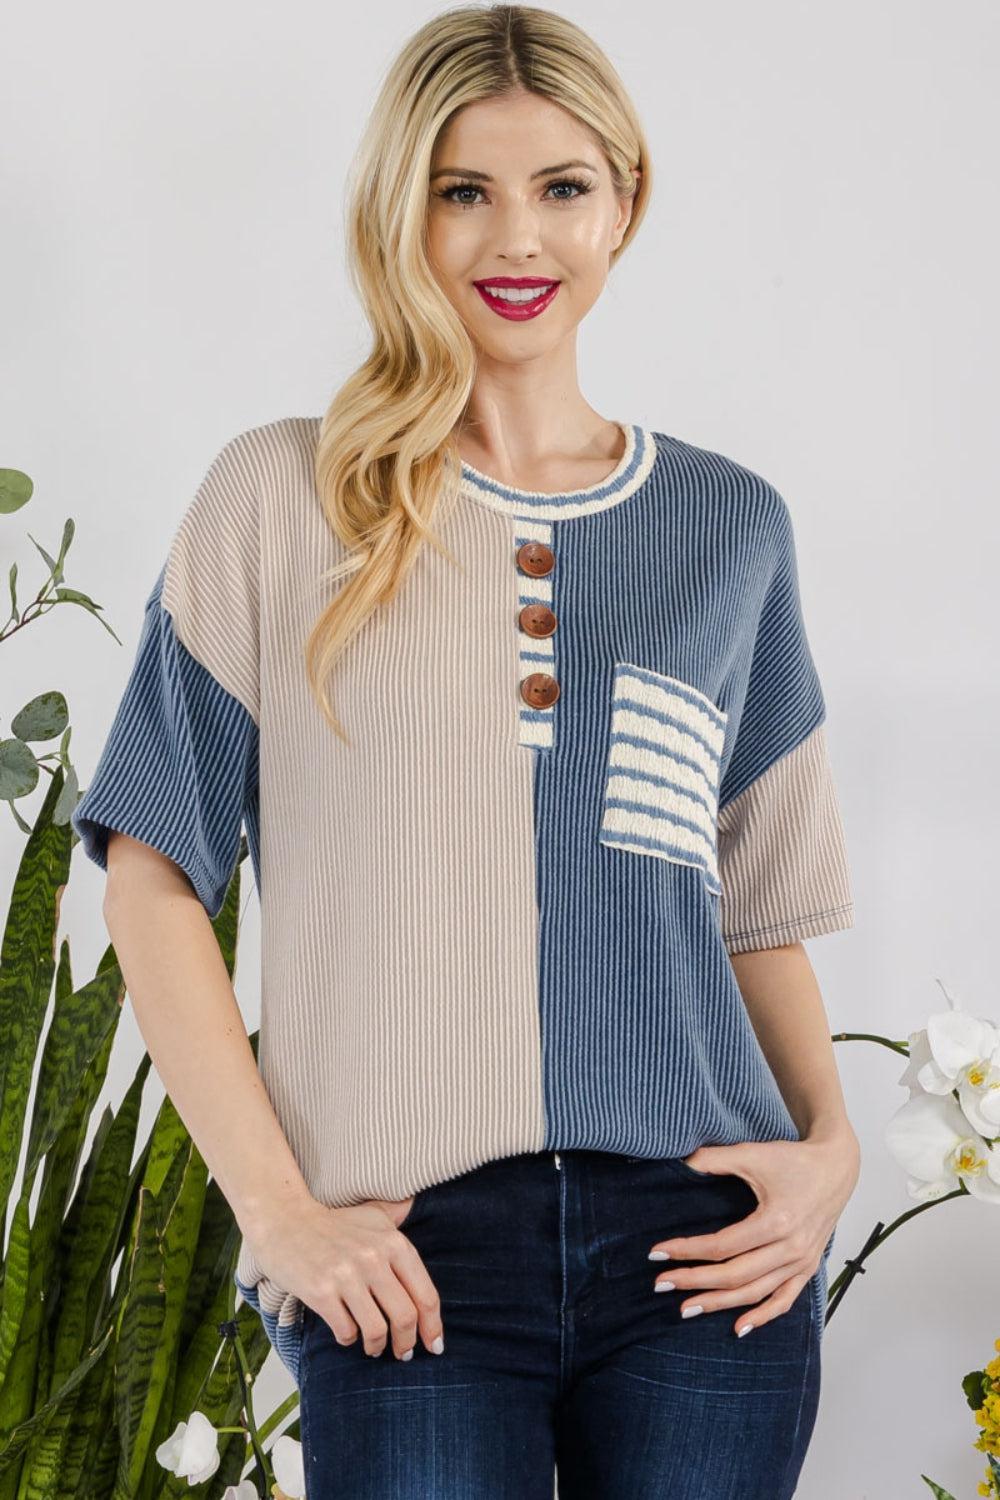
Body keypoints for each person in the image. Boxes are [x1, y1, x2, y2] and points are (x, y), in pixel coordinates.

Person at [70, 4, 861, 1496]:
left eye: (563, 186)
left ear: (626, 203)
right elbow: (151, 877)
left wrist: (828, 1154)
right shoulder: (278, 496)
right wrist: (280, 1214)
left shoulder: (730, 526)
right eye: (462, 189)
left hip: (703, 1252)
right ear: (400, 212)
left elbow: (758, 917)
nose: (518, 236)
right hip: (405, 1259)